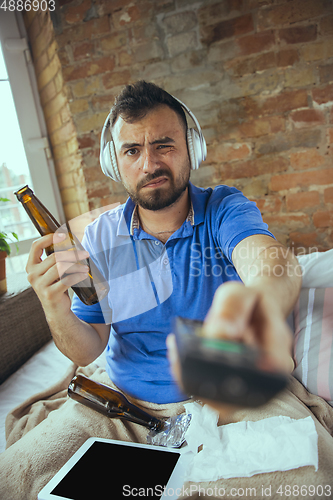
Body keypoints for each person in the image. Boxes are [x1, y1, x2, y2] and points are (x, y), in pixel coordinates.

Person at [3, 81, 332, 499]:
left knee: (311, 478)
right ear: (115, 162)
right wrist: (53, 306)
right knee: (17, 475)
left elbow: (272, 263)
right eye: (133, 151)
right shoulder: (102, 238)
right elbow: (88, 350)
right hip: (124, 407)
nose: (149, 163)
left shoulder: (223, 208)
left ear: (191, 149)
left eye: (164, 145)